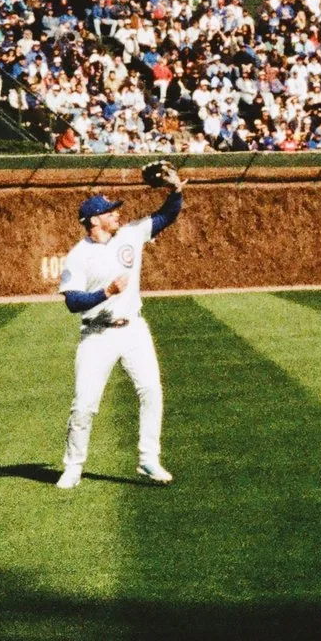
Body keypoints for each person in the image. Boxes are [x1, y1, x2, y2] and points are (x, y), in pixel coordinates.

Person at [55, 170, 183, 490]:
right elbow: (72, 302)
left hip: (134, 330)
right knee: (84, 404)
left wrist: (176, 189)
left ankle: (148, 458)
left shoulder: (129, 234)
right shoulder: (78, 255)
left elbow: (167, 215)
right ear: (93, 220)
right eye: (109, 211)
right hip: (97, 335)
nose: (117, 213)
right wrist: (106, 293)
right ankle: (73, 466)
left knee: (151, 390)